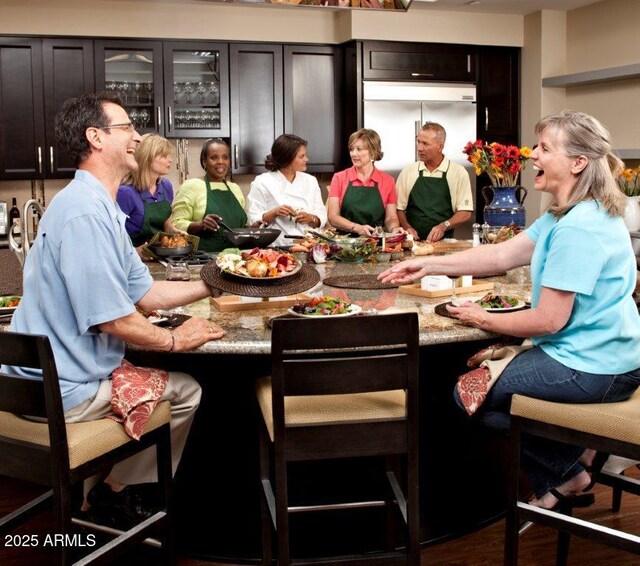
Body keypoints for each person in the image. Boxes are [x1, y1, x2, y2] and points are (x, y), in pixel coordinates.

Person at [380, 110, 640, 510]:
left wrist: (480, 316)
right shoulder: (564, 215)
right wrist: (428, 263)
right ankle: (575, 457)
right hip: (611, 354)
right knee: (478, 388)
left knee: (465, 394)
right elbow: (501, 255)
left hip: (593, 366)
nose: (533, 155)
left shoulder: (577, 228)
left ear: (577, 162)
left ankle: (569, 468)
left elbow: (550, 320)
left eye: (544, 148)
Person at [2, 92, 225, 529]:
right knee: (187, 391)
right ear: (96, 137)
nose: (137, 137)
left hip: (47, 380)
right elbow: (115, 319)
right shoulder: (85, 213)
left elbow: (145, 295)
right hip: (61, 392)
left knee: (156, 377)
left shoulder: (98, 205)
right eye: (126, 128)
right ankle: (112, 492)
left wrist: (217, 281)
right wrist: (176, 339)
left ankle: (94, 493)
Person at [395, 121, 473, 242]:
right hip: (411, 243)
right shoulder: (408, 172)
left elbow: (465, 212)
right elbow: (399, 208)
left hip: (445, 243)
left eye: (425, 143)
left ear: (440, 146)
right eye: (418, 141)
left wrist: (443, 226)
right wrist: (407, 227)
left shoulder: (458, 172)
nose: (419, 148)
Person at [247, 134, 327, 248]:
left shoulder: (311, 181)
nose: (306, 159)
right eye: (301, 156)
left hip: (305, 246)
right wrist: (274, 213)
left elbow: (322, 217)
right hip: (274, 247)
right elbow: (253, 221)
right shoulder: (262, 182)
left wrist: (311, 218)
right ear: (287, 159)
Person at [169, 138, 247, 252]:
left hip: (235, 260)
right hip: (203, 259)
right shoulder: (191, 186)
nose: (221, 161)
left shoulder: (235, 188)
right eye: (214, 157)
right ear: (204, 161)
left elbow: (240, 227)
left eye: (225, 157)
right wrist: (200, 225)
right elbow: (175, 225)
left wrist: (252, 227)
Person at [327, 128, 402, 237]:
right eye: (351, 149)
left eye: (359, 149)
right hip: (344, 242)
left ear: (373, 152)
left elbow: (391, 217)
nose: (353, 154)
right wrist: (356, 227)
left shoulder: (388, 181)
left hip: (375, 241)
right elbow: (333, 216)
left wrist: (394, 229)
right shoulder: (339, 178)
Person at [116, 134, 180, 253]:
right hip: (132, 259)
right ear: (147, 158)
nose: (170, 160)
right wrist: (135, 252)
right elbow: (112, 235)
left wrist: (172, 230)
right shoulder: (125, 193)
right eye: (164, 156)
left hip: (158, 255)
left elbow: (164, 220)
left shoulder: (166, 186)